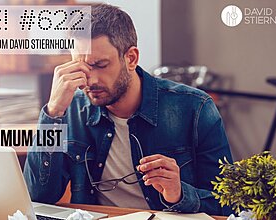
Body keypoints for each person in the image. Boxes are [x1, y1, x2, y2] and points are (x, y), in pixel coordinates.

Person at [24, 3, 233, 215]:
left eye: (101, 65)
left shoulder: (195, 108)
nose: (91, 80)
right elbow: (39, 197)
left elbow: (228, 205)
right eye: (82, 66)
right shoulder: (70, 109)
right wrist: (53, 113)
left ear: (131, 58)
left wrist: (179, 194)